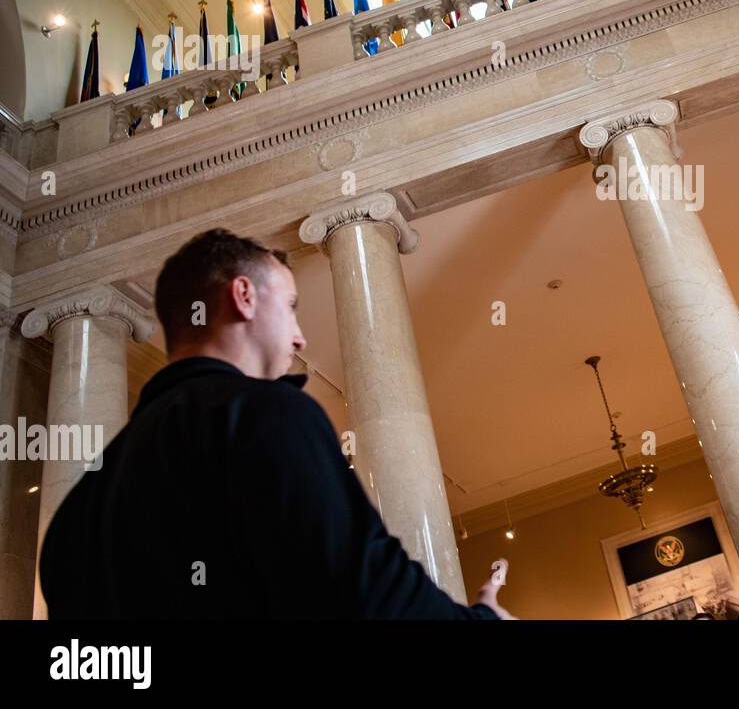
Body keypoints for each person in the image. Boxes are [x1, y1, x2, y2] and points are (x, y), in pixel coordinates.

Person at [39, 228, 512, 619]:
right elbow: (366, 599)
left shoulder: (79, 511)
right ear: (243, 295)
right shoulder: (265, 415)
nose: (301, 337)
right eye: (289, 306)